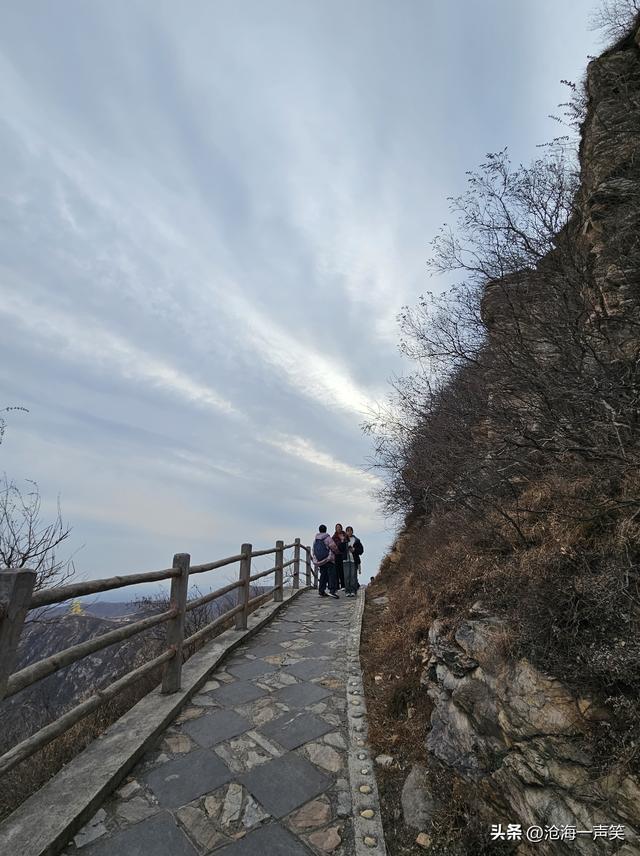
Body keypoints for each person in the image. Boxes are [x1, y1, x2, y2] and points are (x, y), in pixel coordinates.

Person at [311, 524, 340, 599]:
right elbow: (334, 547)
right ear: (326, 530)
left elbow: (314, 550)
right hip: (329, 559)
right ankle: (332, 591)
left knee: (323, 575)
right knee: (332, 575)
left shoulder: (316, 540)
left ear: (319, 530)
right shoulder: (328, 538)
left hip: (320, 560)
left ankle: (321, 591)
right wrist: (337, 552)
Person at [344, 526, 364, 597]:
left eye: (350, 530)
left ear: (352, 531)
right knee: (346, 576)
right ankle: (347, 591)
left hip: (354, 560)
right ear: (346, 532)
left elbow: (361, 551)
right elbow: (340, 549)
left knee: (353, 576)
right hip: (345, 560)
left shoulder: (356, 540)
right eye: (348, 531)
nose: (349, 532)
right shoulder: (343, 540)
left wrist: (354, 550)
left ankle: (353, 590)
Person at [333, 523, 347, 589]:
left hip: (344, 554)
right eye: (337, 527)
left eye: (339, 527)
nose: (338, 528)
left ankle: (343, 585)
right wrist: (341, 541)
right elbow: (334, 545)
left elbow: (347, 543)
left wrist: (343, 540)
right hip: (337, 555)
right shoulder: (334, 536)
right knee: (336, 571)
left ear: (341, 528)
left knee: (343, 571)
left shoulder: (345, 535)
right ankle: (337, 586)